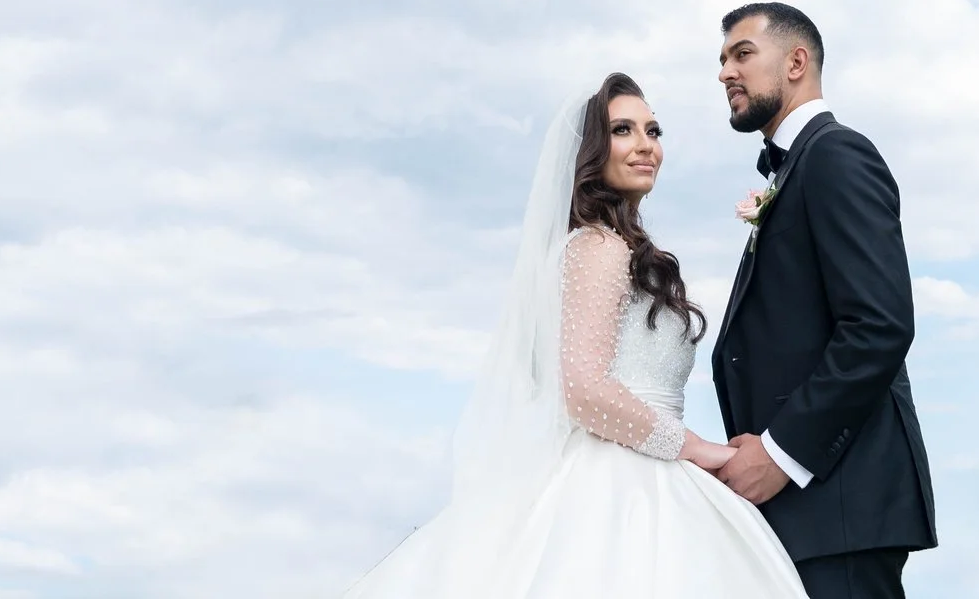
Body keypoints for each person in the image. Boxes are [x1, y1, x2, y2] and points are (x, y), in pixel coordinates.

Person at [340, 72, 808, 597]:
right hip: (621, 481)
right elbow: (584, 389)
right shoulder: (598, 247)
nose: (645, 145)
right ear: (591, 151)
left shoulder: (614, 248)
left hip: (644, 465)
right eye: (623, 130)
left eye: (653, 131)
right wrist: (694, 447)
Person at [709, 3, 937, 599]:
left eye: (742, 53)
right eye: (723, 59)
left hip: (841, 506)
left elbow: (878, 325)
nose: (725, 72)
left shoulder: (836, 155)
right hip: (808, 515)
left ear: (796, 62)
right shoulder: (794, 170)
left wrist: (780, 455)